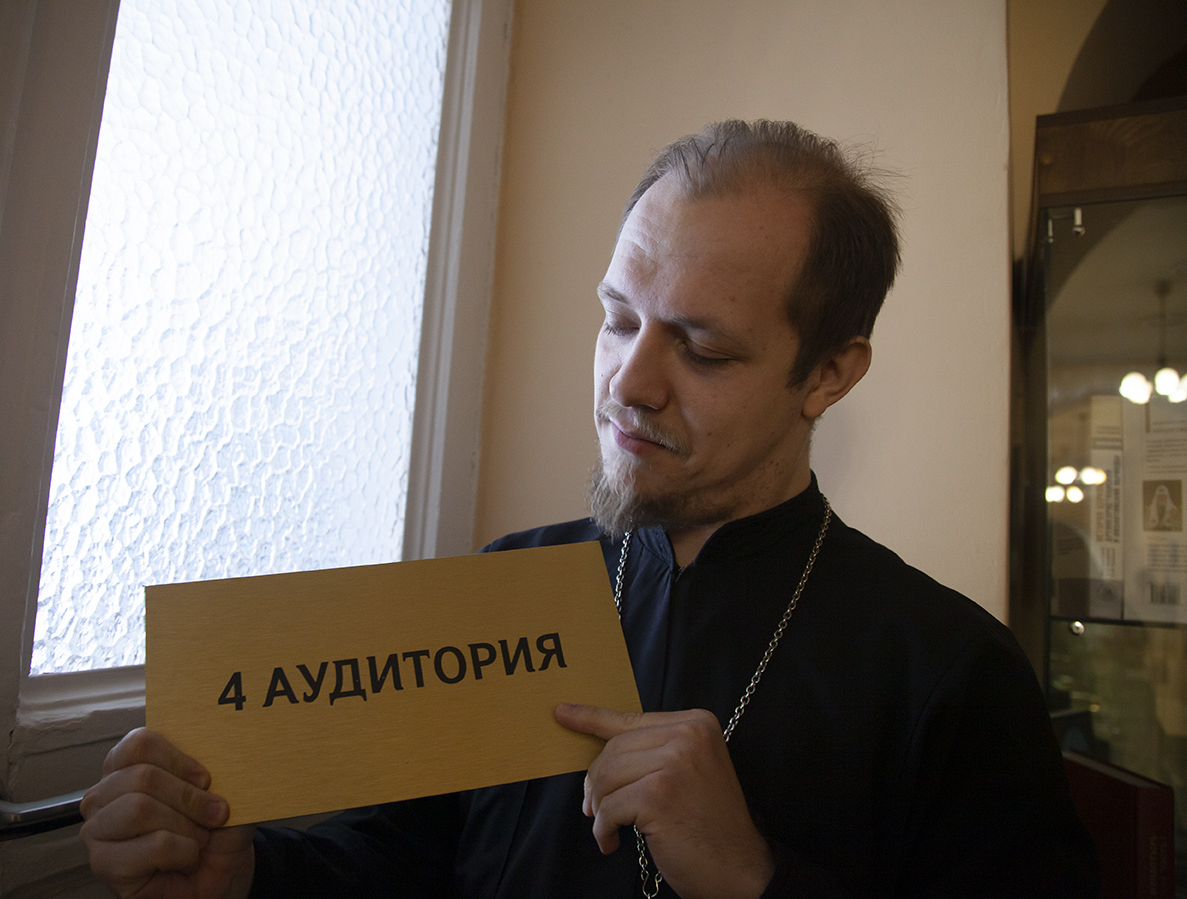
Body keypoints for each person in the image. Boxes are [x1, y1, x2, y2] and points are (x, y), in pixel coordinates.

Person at [80, 120, 1098, 898]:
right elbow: (404, 858)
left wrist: (752, 878)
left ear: (829, 373)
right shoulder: (502, 584)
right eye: (617, 319)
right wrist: (247, 875)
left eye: (702, 348)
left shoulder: (951, 673)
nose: (629, 382)